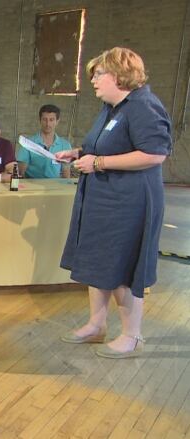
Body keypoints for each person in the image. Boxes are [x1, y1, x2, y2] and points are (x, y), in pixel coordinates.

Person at [56, 47, 171, 358]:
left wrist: (100, 163)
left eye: (99, 74)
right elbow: (107, 144)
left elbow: (155, 153)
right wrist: (79, 153)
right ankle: (97, 325)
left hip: (129, 203)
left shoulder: (143, 106)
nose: (93, 80)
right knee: (100, 263)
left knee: (122, 266)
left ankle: (132, 336)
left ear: (120, 76)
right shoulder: (113, 107)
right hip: (103, 200)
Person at [17, 104, 72, 178]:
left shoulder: (65, 145)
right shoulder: (28, 144)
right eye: (44, 119)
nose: (48, 124)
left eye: (51, 120)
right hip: (32, 186)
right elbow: (20, 173)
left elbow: (66, 174)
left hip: (55, 187)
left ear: (57, 121)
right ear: (40, 120)